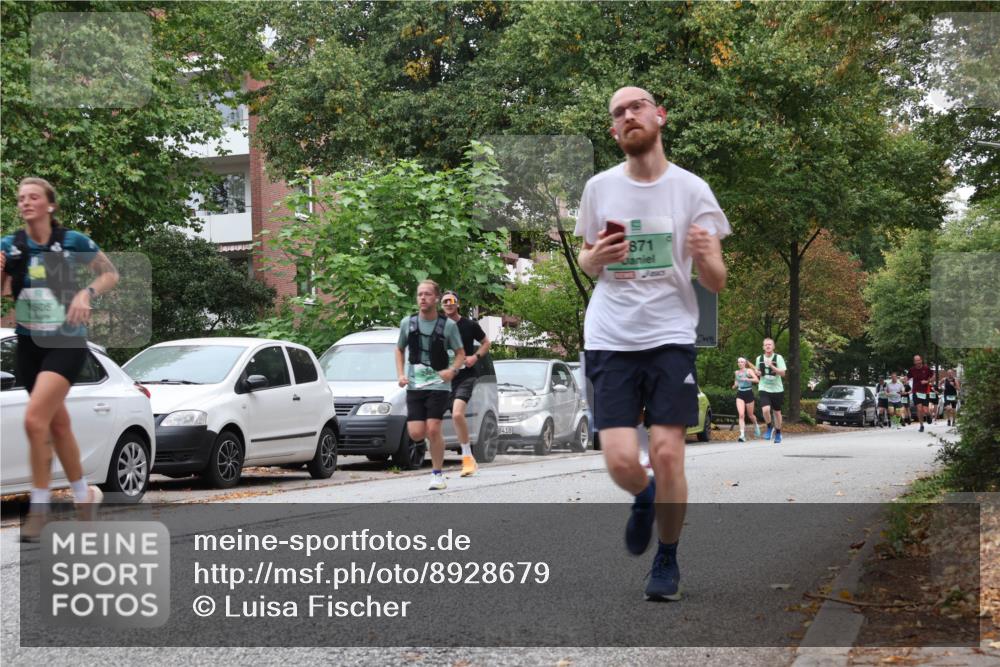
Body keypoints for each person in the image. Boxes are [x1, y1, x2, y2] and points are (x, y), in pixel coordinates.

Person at [575, 86, 730, 601]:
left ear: (659, 115)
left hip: (668, 335)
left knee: (667, 453)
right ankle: (643, 498)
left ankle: (667, 557)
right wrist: (595, 259)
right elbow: (585, 258)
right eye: (617, 112)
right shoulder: (599, 188)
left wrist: (705, 254)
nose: (627, 115)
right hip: (610, 336)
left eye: (636, 106)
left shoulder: (692, 190)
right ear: (614, 131)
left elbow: (716, 280)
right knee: (620, 459)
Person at [1, 177, 119, 542]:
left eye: (34, 197)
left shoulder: (72, 242)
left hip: (66, 342)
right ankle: (85, 498)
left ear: (49, 205)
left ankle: (39, 510)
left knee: (35, 420)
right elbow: (4, 293)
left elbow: (110, 273)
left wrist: (86, 294)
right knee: (58, 426)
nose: (26, 202)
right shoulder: (11, 246)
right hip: (29, 344)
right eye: (21, 198)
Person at [395, 280, 466, 490]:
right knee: (416, 433)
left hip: (438, 385)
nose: (423, 298)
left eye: (427, 294)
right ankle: (433, 444)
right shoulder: (407, 323)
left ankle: (437, 474)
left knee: (434, 429)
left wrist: (452, 371)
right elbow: (399, 349)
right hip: (415, 384)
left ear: (436, 298)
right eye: (419, 294)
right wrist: (400, 374)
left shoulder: (449, 326)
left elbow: (461, 354)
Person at [440, 290, 491, 477]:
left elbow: (486, 343)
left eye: (452, 300)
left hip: (465, 376)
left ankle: (468, 458)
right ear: (441, 305)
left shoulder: (469, 325)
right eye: (445, 301)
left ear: (458, 303)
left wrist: (475, 357)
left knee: (457, 414)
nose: (448, 303)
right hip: (445, 379)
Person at [755, 338, 787, 443]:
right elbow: (758, 371)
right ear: (763, 347)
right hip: (764, 387)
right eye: (766, 345)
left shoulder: (778, 358)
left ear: (773, 347)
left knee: (777, 413)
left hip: (777, 389)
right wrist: (758, 373)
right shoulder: (759, 358)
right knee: (765, 410)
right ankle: (769, 427)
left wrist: (771, 365)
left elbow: (783, 373)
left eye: (770, 344)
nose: (768, 346)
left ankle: (778, 432)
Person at [731, 357, 760, 442]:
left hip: (749, 393)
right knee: (741, 415)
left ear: (745, 363)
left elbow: (757, 380)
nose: (740, 363)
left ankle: (756, 425)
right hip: (740, 394)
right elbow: (736, 382)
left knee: (750, 415)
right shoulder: (736, 372)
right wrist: (734, 386)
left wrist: (747, 378)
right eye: (739, 362)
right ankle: (742, 435)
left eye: (742, 362)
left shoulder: (749, 371)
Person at [908, 355, 933, 432]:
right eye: (916, 361)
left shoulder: (926, 368)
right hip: (916, 391)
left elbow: (933, 376)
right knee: (919, 409)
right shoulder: (912, 369)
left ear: (921, 360)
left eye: (919, 360)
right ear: (914, 362)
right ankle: (921, 425)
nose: (918, 362)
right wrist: (905, 380)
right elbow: (908, 377)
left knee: (925, 410)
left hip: (925, 392)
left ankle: (929, 415)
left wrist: (927, 381)